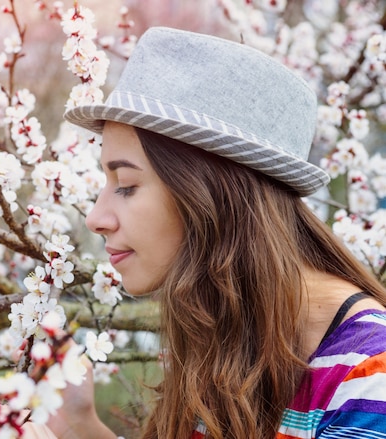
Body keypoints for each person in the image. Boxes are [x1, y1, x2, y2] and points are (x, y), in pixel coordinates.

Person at [24, 27, 386, 438]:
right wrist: (79, 426)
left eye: (126, 185)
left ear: (209, 197)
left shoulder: (368, 381)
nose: (96, 218)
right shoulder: (229, 341)